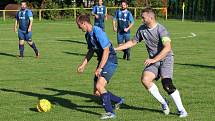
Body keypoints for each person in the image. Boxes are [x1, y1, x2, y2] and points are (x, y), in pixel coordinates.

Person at [115, 7, 188, 118]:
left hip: (166, 58)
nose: (141, 19)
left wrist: (154, 59)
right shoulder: (142, 29)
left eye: (143, 17)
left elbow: (167, 48)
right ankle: (164, 102)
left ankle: (182, 110)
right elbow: (133, 42)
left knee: (166, 84)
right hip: (153, 60)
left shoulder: (161, 30)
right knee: (145, 80)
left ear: (151, 17)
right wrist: (116, 49)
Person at [76, 14, 124, 120]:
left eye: (79, 25)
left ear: (84, 23)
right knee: (97, 92)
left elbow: (106, 50)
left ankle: (110, 113)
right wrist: (83, 65)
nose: (78, 27)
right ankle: (119, 100)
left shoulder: (98, 31)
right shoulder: (88, 35)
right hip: (102, 61)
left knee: (99, 86)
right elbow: (91, 50)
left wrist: (100, 68)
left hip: (110, 60)